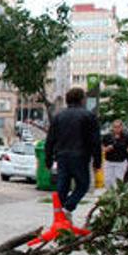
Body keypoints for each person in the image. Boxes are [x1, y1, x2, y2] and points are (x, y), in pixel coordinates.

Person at [45, 87, 102, 218]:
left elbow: (50, 140)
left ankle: (59, 215)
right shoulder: (89, 116)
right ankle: (68, 208)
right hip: (80, 156)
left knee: (62, 187)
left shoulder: (58, 117)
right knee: (83, 185)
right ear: (82, 100)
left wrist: (48, 159)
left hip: (62, 156)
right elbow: (95, 141)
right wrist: (97, 162)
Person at [102, 119, 128, 189]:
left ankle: (116, 197)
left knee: (117, 182)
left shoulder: (126, 137)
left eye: (118, 127)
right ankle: (110, 196)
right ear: (112, 127)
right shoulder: (107, 137)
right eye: (115, 127)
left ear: (121, 127)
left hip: (120, 162)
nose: (116, 129)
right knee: (107, 181)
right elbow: (102, 148)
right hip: (109, 162)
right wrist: (107, 149)